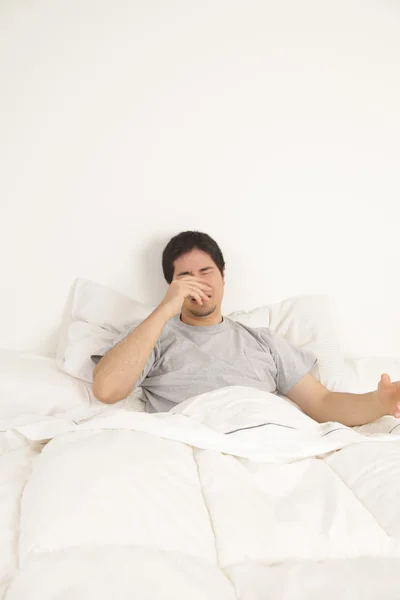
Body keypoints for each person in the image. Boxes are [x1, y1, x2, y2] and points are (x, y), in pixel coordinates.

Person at [92, 231, 400, 425]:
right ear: (172, 285)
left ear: (222, 275)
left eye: (205, 271)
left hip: (266, 442)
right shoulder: (152, 336)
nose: (198, 283)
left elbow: (323, 403)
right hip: (192, 442)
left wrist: (378, 402)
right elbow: (107, 390)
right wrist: (164, 309)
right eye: (185, 276)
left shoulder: (263, 341)